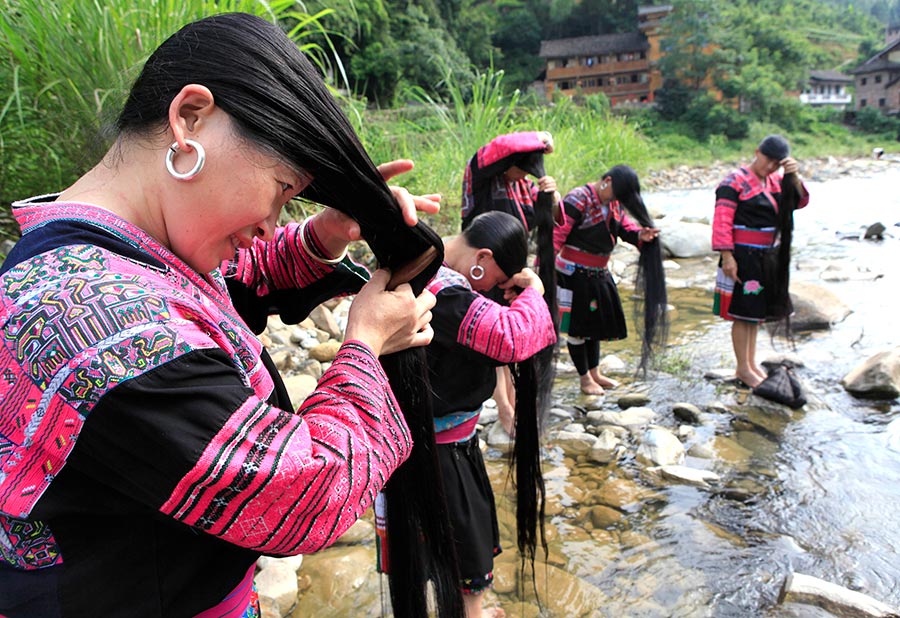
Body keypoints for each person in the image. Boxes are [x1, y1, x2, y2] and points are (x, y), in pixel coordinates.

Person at [0, 14, 445, 617]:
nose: (272, 223)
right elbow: (303, 492)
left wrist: (322, 237)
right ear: (190, 119)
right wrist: (364, 347)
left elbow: (227, 285)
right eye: (283, 189)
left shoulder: (100, 251)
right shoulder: (103, 329)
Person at [425, 211, 557, 618]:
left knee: (451, 535)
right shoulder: (443, 290)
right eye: (499, 282)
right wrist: (533, 291)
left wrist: (503, 400)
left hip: (443, 440)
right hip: (441, 448)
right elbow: (508, 338)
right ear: (482, 256)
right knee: (463, 540)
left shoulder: (428, 260)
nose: (499, 292)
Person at [461, 131, 564, 427]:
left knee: (510, 340)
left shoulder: (524, 187)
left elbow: (553, 220)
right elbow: (500, 146)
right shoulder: (481, 178)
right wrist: (543, 139)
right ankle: (505, 409)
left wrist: (552, 198)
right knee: (492, 340)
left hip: (514, 274)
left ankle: (514, 400)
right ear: (507, 163)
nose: (524, 176)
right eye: (522, 168)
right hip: (482, 269)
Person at [553, 165, 661, 395]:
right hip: (573, 275)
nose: (617, 199)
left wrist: (640, 235)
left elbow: (624, 227)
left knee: (594, 328)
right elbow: (557, 234)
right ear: (607, 181)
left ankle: (595, 373)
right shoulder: (578, 198)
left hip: (598, 274)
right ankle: (584, 380)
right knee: (577, 329)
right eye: (616, 193)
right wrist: (542, 270)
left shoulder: (612, 203)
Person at [712, 134, 810, 388]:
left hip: (766, 257)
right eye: (769, 161)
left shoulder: (777, 182)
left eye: (777, 164)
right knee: (743, 313)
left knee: (755, 314)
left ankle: (751, 364)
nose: (771, 167)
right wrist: (727, 257)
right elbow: (722, 220)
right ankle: (743, 368)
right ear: (757, 152)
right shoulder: (734, 182)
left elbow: (798, 201)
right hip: (743, 256)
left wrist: (793, 175)